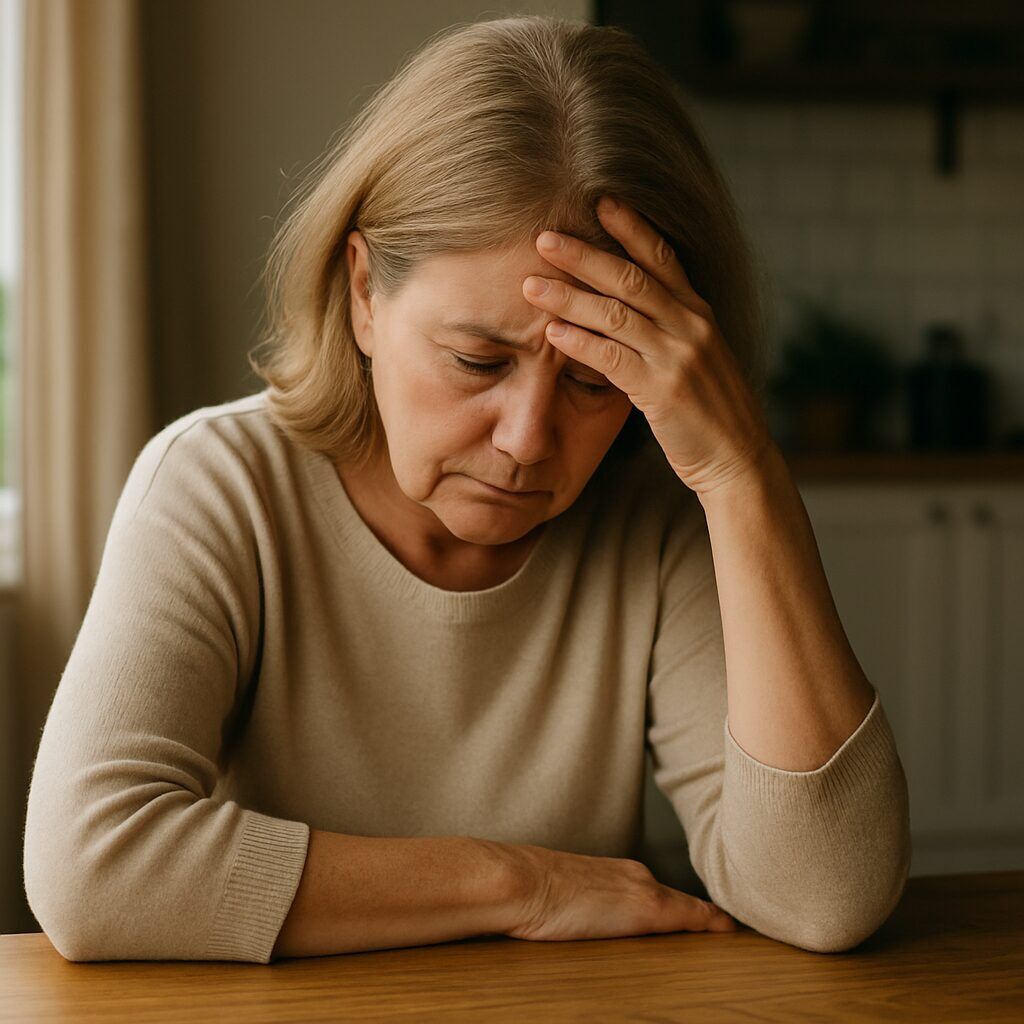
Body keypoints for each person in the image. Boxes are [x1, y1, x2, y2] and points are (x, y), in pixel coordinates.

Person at [22, 15, 911, 964]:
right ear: (364, 294)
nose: (528, 442)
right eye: (476, 360)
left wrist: (740, 476)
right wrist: (521, 883)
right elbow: (91, 871)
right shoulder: (217, 487)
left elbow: (826, 898)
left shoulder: (661, 516)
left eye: (593, 380)